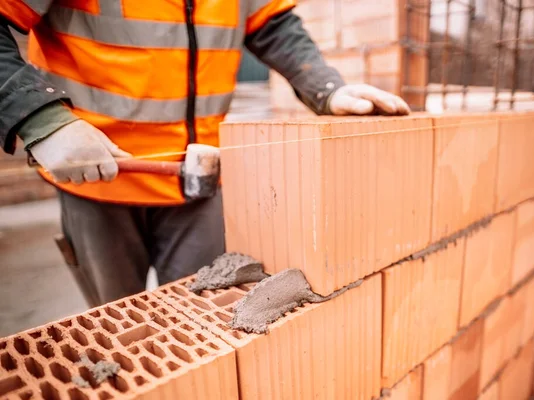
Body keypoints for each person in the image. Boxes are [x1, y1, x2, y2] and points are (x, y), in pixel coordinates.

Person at [0, 1, 410, 307]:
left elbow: (272, 23)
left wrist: (326, 88)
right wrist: (40, 120)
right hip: (98, 178)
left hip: (198, 183)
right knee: (117, 324)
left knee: (207, 312)